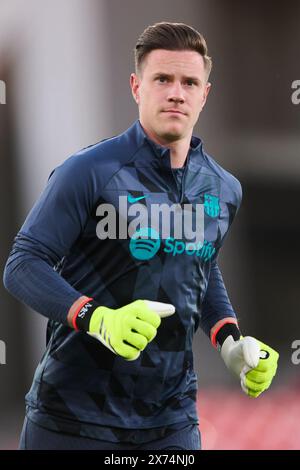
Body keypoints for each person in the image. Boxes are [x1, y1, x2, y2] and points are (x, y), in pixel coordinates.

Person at [3, 22, 278, 451]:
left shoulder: (225, 188)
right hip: (71, 420)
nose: (176, 92)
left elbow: (200, 265)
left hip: (172, 424)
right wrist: (99, 319)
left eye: (189, 82)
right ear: (136, 86)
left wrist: (229, 341)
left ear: (205, 94)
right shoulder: (88, 171)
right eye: (162, 79)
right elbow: (23, 264)